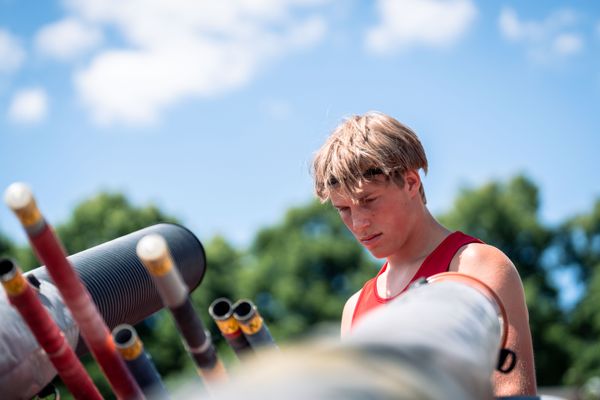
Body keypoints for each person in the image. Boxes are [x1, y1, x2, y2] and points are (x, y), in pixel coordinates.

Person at [311, 111, 537, 397]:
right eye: (343, 209)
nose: (358, 223)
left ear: (410, 183)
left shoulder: (474, 267)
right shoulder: (353, 309)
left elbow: (513, 393)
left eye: (368, 201)